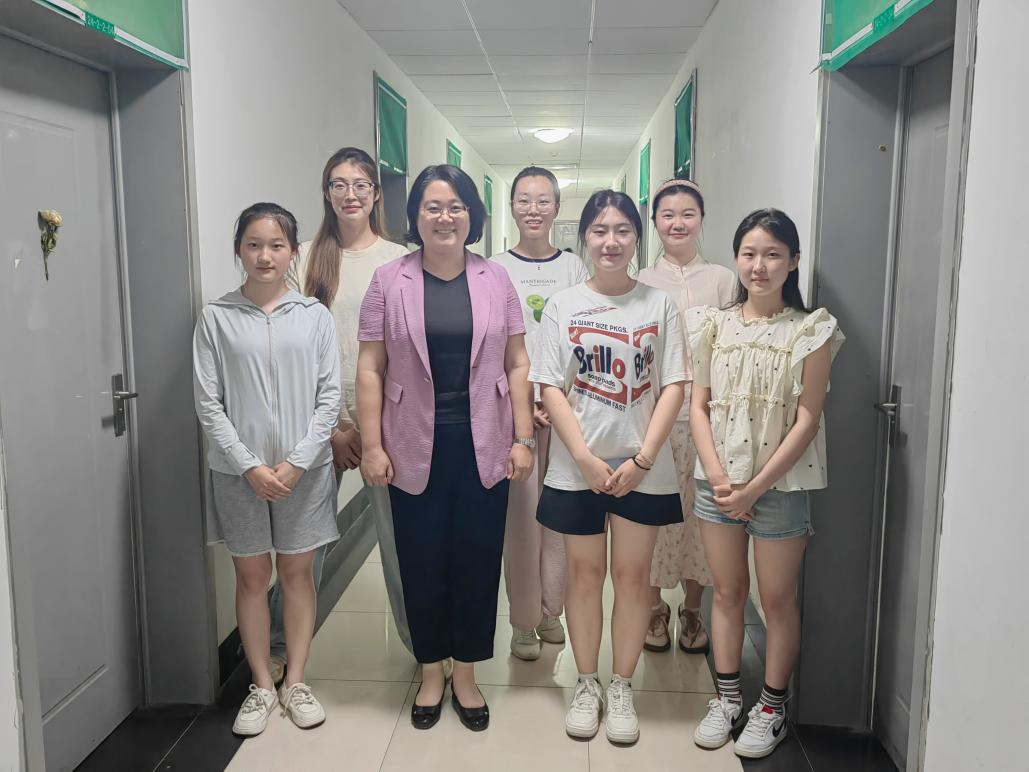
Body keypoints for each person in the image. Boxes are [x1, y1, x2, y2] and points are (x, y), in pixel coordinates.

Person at [356, 165, 534, 732]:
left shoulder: (495, 279)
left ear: (472, 216)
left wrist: (523, 437)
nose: (444, 217)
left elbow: (518, 361)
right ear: (415, 215)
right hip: (411, 443)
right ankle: (432, 669)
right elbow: (370, 367)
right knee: (422, 560)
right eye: (432, 206)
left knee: (478, 560)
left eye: (456, 206)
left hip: (485, 441)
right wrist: (371, 445)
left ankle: (467, 674)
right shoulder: (388, 280)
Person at [531, 189, 687, 745]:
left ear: (637, 238)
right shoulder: (563, 305)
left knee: (632, 577)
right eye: (599, 230)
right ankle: (587, 682)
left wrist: (643, 459)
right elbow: (550, 386)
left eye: (622, 230)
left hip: (643, 466)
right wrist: (583, 459)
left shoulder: (659, 305)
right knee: (585, 575)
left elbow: (674, 385)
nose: (611, 241)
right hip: (579, 466)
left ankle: (621, 685)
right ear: (584, 238)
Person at [690, 209, 843, 759]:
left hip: (781, 486)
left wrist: (754, 488)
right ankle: (728, 698)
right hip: (717, 484)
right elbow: (699, 405)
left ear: (793, 261)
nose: (759, 265)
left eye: (773, 254)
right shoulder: (712, 324)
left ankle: (772, 707)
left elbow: (807, 419)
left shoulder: (811, 329)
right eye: (749, 253)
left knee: (776, 600)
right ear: (736, 258)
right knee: (727, 592)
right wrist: (717, 475)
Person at [193, 203, 341, 736]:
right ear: (238, 250)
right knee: (252, 578)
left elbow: (330, 397)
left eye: (277, 245)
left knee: (298, 575)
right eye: (253, 244)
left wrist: (299, 462)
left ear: (293, 252)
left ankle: (296, 680)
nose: (265, 256)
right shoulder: (216, 317)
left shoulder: (314, 316)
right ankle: (260, 683)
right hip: (239, 474)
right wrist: (250, 466)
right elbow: (208, 403)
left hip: (306, 471)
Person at [273, 148, 412, 683]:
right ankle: (282, 648)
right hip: (317, 426)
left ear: (376, 194)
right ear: (326, 193)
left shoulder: (399, 260)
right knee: (302, 549)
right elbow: (290, 350)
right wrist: (332, 429)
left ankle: (419, 644)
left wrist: (368, 431)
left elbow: (406, 349)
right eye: (338, 184)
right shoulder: (305, 258)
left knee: (399, 548)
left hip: (387, 426)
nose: (350, 194)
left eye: (360, 184)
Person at [490, 166, 589, 661]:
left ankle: (554, 612)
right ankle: (524, 620)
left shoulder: (574, 268)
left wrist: (556, 397)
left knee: (561, 521)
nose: (534, 209)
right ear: (511, 206)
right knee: (522, 525)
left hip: (566, 412)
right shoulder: (491, 268)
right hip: (513, 417)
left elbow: (583, 338)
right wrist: (523, 405)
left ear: (556, 208)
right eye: (524, 200)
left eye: (543, 200)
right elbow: (489, 345)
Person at [637, 179, 735, 655]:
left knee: (702, 520)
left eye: (688, 213)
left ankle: (693, 609)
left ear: (701, 219)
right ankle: (654, 607)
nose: (678, 223)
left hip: (710, 421)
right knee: (653, 519)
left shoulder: (723, 280)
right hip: (654, 419)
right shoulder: (640, 281)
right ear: (655, 221)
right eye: (668, 214)